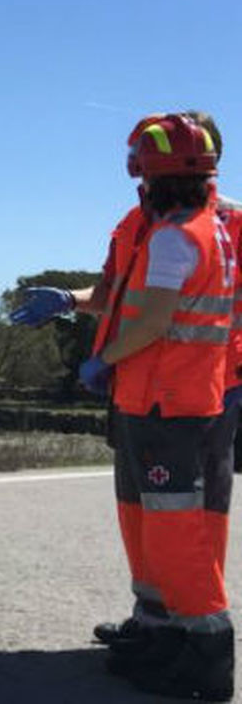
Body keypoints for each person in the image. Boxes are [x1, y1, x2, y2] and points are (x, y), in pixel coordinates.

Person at [78, 115, 232, 700]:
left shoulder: (172, 237)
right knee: (168, 526)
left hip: (165, 401)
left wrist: (104, 361)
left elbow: (154, 320)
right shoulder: (206, 228)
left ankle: (207, 656)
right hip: (184, 398)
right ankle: (172, 641)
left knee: (175, 532)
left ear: (148, 174)